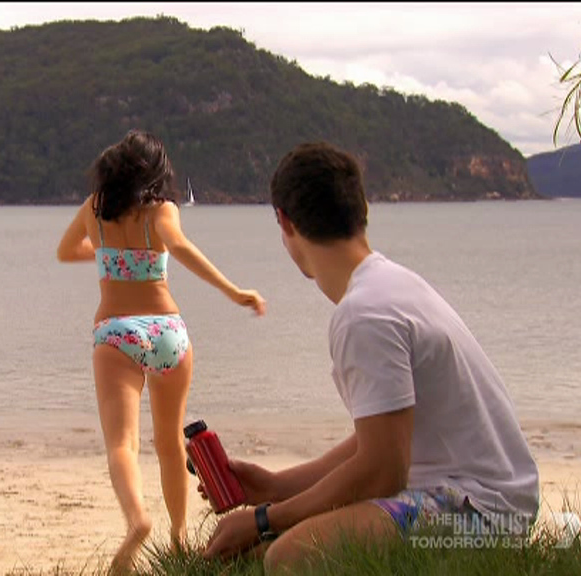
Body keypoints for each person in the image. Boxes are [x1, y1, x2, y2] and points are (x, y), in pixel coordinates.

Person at [201, 141, 540, 573]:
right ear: (361, 209)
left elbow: (384, 471)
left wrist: (265, 519)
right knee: (263, 552)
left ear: (284, 222)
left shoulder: (363, 314)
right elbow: (378, 442)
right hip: (493, 500)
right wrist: (275, 486)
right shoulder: (393, 283)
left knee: (289, 557)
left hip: (480, 515)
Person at [56, 129, 266, 573]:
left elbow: (65, 251)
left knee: (123, 443)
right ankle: (178, 536)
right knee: (170, 442)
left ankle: (137, 521)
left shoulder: (94, 208)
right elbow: (181, 247)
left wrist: (107, 254)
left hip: (116, 332)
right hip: (168, 330)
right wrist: (235, 292)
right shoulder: (161, 210)